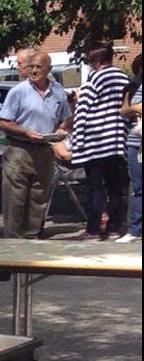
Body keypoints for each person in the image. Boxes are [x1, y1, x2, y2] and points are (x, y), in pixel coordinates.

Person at [0, 50, 73, 239]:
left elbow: (67, 119)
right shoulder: (18, 92)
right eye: (31, 66)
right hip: (19, 150)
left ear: (49, 69)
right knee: (15, 198)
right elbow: (3, 121)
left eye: (39, 67)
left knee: (39, 197)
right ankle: (13, 242)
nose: (34, 70)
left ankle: (32, 237)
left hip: (45, 150)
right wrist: (25, 132)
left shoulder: (58, 92)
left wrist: (60, 130)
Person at [69, 42, 131, 240]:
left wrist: (77, 144)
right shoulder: (123, 78)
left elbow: (82, 112)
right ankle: (114, 227)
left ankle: (94, 229)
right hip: (116, 141)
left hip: (94, 142)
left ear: (95, 60)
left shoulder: (93, 79)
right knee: (115, 187)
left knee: (95, 188)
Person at [120, 54, 142, 243]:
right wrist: (137, 108)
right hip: (135, 143)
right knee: (138, 187)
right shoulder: (133, 86)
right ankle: (135, 230)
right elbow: (124, 111)